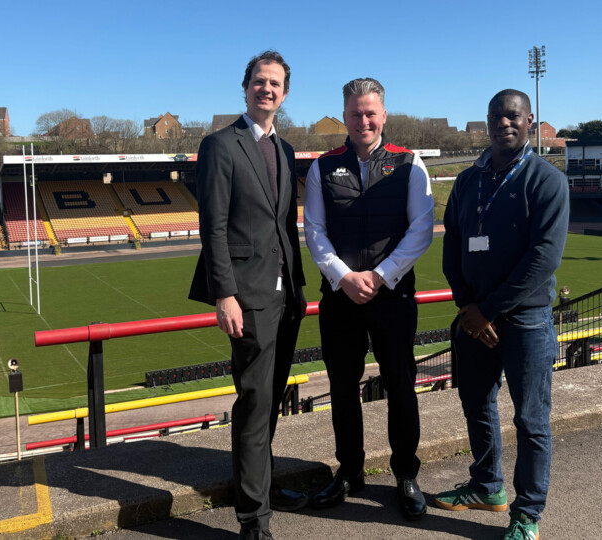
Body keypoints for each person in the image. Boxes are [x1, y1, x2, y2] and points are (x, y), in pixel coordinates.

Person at [436, 89, 568, 540]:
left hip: (525, 320)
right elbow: (452, 245)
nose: (503, 123)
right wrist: (465, 305)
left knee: (531, 420)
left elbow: (543, 259)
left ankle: (527, 513)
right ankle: (487, 486)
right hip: (473, 315)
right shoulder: (469, 181)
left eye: (513, 115)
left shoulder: (546, 180)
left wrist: (487, 310)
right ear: (487, 121)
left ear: (530, 120)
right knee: (476, 403)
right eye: (496, 115)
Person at [188, 50, 307, 540]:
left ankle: (263, 484)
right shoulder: (220, 144)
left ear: (285, 92)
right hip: (248, 296)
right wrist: (225, 295)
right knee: (255, 401)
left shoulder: (284, 148)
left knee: (272, 397)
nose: (267, 89)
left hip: (286, 295)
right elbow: (212, 225)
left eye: (276, 83)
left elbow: (283, 224)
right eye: (260, 81)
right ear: (245, 87)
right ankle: (253, 518)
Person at [304, 77, 434, 520]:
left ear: (384, 115)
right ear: (344, 115)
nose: (364, 120)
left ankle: (406, 474)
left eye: (371, 112)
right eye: (356, 113)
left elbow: (421, 230)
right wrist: (343, 277)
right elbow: (314, 232)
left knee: (401, 385)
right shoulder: (322, 166)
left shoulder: (409, 163)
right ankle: (350, 471)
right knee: (343, 388)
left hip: (392, 297)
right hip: (340, 298)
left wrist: (379, 276)